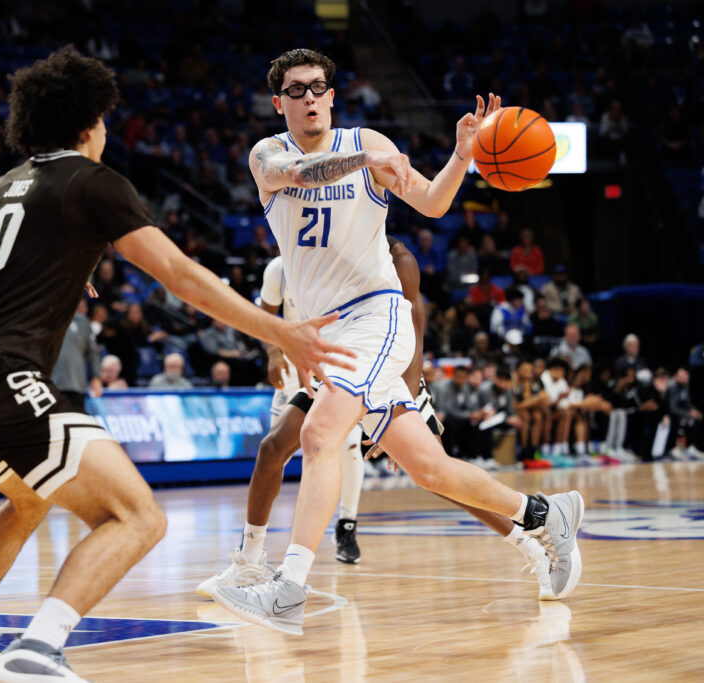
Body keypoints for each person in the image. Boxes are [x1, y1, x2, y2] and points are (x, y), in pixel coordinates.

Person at [0, 47, 350, 683]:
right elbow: (180, 276)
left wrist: (52, 258)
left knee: (29, 501)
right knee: (137, 517)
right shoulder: (94, 182)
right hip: (1, 374)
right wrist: (281, 331)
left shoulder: (7, 184)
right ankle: (38, 650)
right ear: (90, 121)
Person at [211, 49, 583, 636]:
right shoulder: (269, 155)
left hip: (375, 315)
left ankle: (288, 590)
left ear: (332, 96)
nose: (309, 97)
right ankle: (543, 514)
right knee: (430, 469)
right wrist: (367, 158)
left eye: (318, 87)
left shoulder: (368, 139)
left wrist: (461, 155)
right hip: (325, 337)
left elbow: (433, 203)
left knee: (317, 432)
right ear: (279, 102)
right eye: (296, 89)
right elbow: (301, 176)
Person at [198, 242, 553, 587]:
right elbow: (269, 314)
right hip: (336, 369)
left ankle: (529, 542)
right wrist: (277, 354)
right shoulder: (313, 251)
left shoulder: (398, 260)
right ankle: (251, 561)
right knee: (273, 448)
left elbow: (414, 327)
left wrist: (408, 402)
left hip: (393, 374)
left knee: (436, 475)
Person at [50, 298, 103, 411]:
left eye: (83, 307)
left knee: (75, 420)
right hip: (52, 383)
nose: (81, 309)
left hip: (77, 384)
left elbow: (93, 352)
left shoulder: (84, 322)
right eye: (79, 306)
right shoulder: (51, 319)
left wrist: (96, 377)